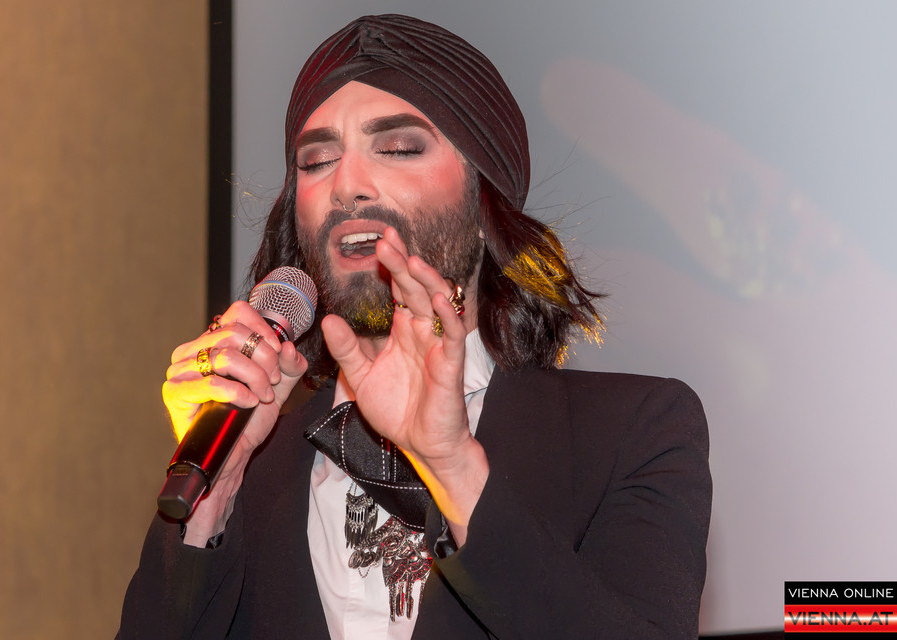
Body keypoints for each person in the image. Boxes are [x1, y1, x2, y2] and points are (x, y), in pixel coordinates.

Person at [118, 14, 711, 639]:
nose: (347, 185)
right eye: (317, 160)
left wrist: (453, 466)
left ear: (485, 200)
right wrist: (219, 488)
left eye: (399, 148)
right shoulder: (249, 476)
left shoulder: (632, 433)